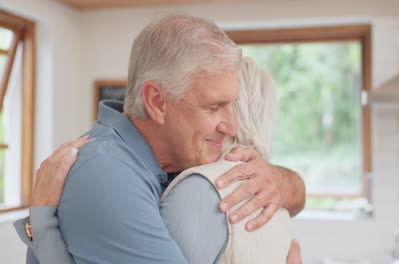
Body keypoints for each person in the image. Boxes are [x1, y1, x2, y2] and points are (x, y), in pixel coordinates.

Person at [15, 14, 305, 264]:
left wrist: (280, 180)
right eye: (213, 107)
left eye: (231, 105)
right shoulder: (106, 173)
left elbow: (298, 196)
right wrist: (42, 229)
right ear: (157, 102)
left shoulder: (173, 161)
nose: (230, 126)